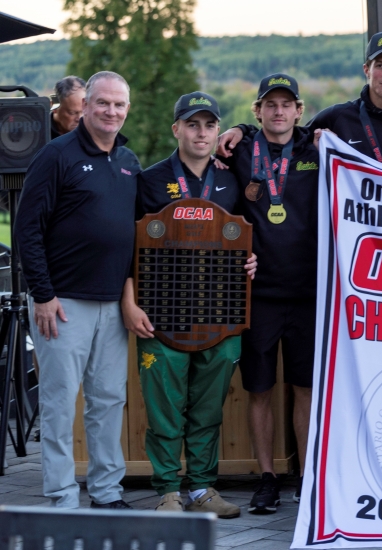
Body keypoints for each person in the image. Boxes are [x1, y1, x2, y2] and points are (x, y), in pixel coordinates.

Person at [121, 92, 257, 518]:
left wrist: (251, 259)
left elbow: (247, 235)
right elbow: (129, 246)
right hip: (161, 314)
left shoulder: (231, 177)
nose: (201, 133)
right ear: (176, 128)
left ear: (218, 131)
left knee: (207, 408)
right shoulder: (149, 179)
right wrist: (129, 301)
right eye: (192, 124)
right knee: (163, 408)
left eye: (209, 125)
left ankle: (202, 488)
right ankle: (167, 491)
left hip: (219, 313)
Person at [15, 71, 140, 509]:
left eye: (119, 105)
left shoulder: (129, 161)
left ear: (127, 110)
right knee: (59, 405)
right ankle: (63, 498)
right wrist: (43, 294)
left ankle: (106, 492)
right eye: (102, 103)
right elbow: (26, 228)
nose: (111, 111)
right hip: (62, 304)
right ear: (85, 106)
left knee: (108, 402)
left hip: (112, 306)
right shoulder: (56, 155)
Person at [217, 74, 320, 514]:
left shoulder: (319, 149)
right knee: (258, 389)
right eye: (269, 105)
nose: (279, 112)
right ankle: (267, 478)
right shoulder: (239, 149)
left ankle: (307, 477)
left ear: (299, 110)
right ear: (257, 111)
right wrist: (236, 129)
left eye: (287, 104)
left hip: (309, 293)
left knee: (305, 389)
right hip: (256, 293)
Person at [218, 31, 382, 166]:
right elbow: (284, 134)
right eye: (380, 66)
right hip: (354, 236)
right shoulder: (338, 117)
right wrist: (242, 130)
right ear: (366, 69)